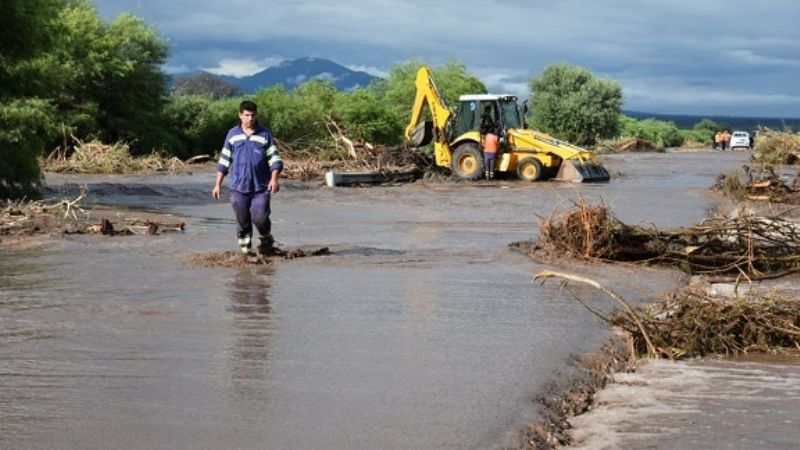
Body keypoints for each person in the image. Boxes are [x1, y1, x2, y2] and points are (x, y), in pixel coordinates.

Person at [212, 100, 283, 256]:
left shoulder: (264, 134)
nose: (250, 118)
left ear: (256, 115)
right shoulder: (232, 135)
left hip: (261, 187)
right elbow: (224, 160)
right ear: (240, 115)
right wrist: (217, 184)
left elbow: (275, 160)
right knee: (242, 221)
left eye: (253, 115)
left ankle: (266, 239)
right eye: (247, 115)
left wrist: (274, 179)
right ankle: (246, 254)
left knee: (260, 218)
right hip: (238, 187)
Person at [479, 105, 501, 179]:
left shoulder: (487, 116)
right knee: (491, 165)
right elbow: (482, 125)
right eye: (489, 110)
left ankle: (488, 176)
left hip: (487, 151)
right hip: (485, 132)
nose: (490, 111)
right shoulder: (484, 116)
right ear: (487, 110)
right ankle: (490, 177)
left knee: (487, 164)